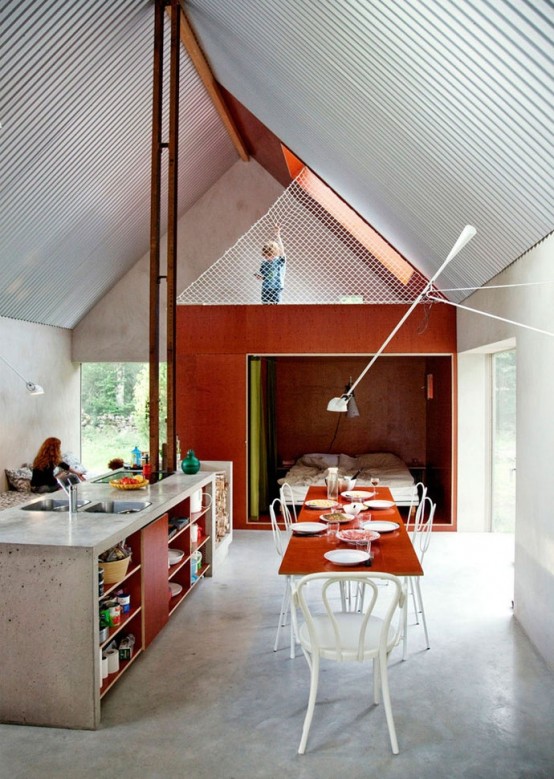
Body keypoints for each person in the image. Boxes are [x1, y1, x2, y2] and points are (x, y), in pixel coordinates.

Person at [255, 224, 286, 304]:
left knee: (275, 305)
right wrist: (259, 277)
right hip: (266, 288)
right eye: (265, 256)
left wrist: (278, 235)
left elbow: (282, 251)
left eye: (269, 255)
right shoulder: (264, 263)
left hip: (276, 288)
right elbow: (264, 277)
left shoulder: (278, 261)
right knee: (265, 304)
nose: (267, 258)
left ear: (274, 253)